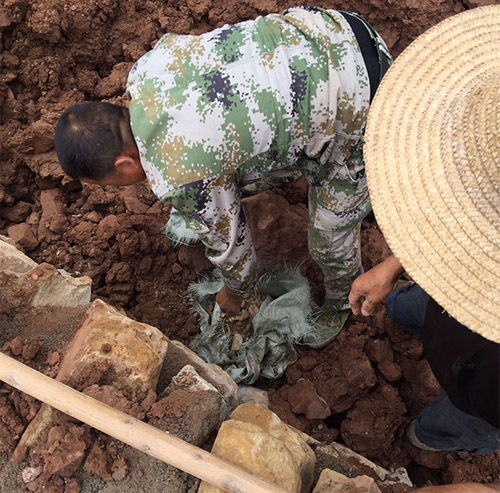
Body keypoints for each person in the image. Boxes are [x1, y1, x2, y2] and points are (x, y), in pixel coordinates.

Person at [54, 6, 392, 340]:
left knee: (329, 242)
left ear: (124, 164)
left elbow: (239, 260)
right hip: (337, 29)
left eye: (108, 184)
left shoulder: (182, 175)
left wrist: (233, 295)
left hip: (368, 103)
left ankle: (346, 302)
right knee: (236, 168)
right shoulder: (147, 69)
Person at [351, 7, 500, 493]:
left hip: (486, 393)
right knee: (418, 310)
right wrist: (396, 263)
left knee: (444, 423)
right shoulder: (468, 235)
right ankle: (418, 312)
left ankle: (434, 439)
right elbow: (452, 211)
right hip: (446, 314)